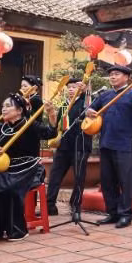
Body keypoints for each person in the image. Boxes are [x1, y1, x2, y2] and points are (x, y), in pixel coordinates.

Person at [0, 93, 57, 242]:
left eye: (8, 106)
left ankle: (18, 229)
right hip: (6, 169)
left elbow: (50, 133)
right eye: (3, 106)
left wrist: (52, 115)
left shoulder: (30, 124)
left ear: (20, 110)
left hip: (29, 169)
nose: (4, 109)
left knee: (9, 189)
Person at [85, 64, 132, 228]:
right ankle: (112, 213)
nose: (113, 77)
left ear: (126, 77)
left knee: (125, 181)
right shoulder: (105, 95)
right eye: (111, 75)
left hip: (123, 144)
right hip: (105, 143)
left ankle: (126, 214)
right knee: (108, 181)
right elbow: (91, 108)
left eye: (116, 74)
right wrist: (89, 111)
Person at [46, 78, 92, 217]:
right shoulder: (63, 106)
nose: (71, 89)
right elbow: (57, 127)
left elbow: (90, 104)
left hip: (80, 146)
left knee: (79, 177)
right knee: (54, 176)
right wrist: (51, 114)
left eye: (74, 87)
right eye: (69, 87)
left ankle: (75, 205)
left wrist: (86, 90)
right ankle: (50, 205)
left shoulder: (85, 102)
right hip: (63, 146)